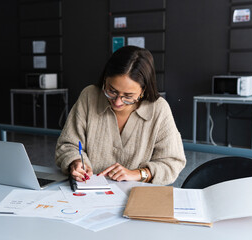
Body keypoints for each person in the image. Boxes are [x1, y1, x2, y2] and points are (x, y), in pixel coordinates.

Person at [55, 46, 186, 185]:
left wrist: (138, 174)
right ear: (105, 79)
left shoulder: (159, 109)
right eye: (111, 91)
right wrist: (75, 162)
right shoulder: (89, 96)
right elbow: (68, 144)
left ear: (143, 90)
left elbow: (172, 162)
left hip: (137, 196)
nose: (117, 102)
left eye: (128, 96)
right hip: (89, 192)